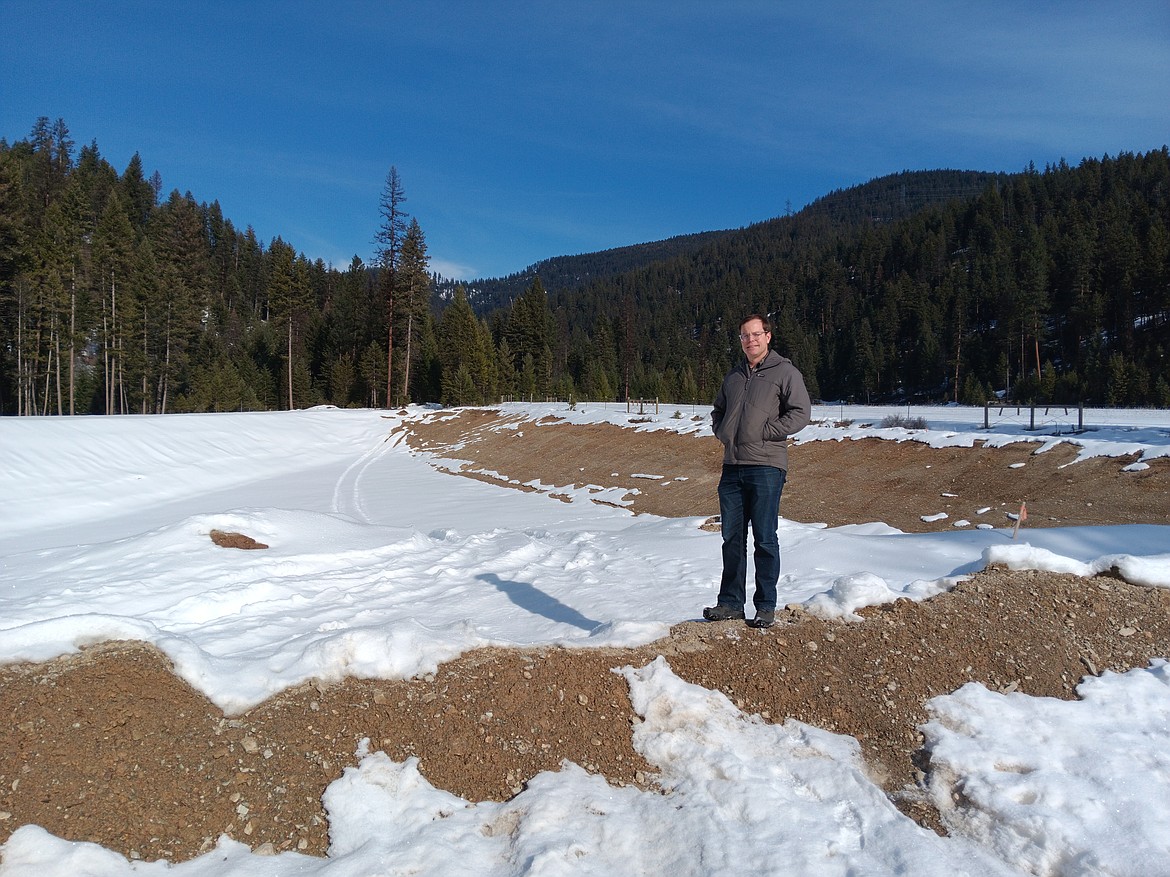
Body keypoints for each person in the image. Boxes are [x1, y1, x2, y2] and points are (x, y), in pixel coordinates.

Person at [705, 314, 811, 628]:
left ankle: (765, 606)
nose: (750, 340)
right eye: (744, 336)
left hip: (766, 466)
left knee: (765, 538)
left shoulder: (785, 372)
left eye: (755, 334)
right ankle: (730, 604)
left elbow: (800, 413)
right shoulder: (734, 376)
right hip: (733, 467)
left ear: (767, 336)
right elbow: (718, 410)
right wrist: (723, 431)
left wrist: (766, 431)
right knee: (732, 539)